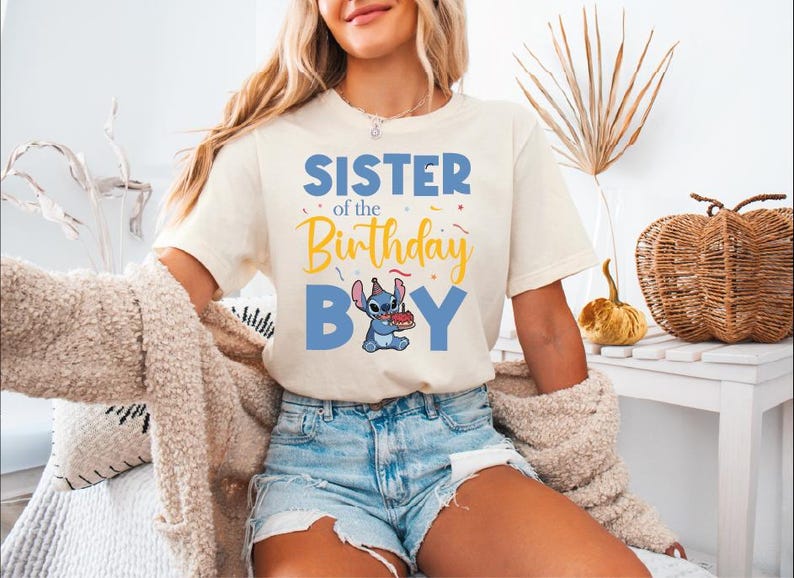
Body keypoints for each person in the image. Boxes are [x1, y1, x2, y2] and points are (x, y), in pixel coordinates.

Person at [151, 1, 659, 576]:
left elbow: (545, 328)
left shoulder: (505, 133)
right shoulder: (270, 144)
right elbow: (163, 296)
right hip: (316, 463)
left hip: (460, 451)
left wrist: (608, 504)